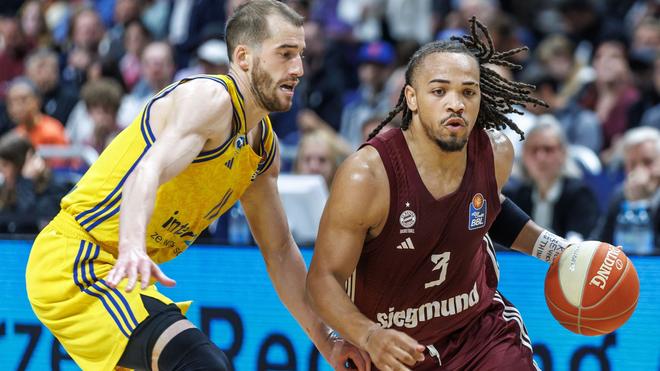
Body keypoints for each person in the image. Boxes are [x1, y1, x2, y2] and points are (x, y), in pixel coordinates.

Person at [25, 1, 366, 370]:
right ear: (244, 57)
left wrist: (327, 341)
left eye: (299, 55)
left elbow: (280, 251)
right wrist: (132, 247)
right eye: (285, 54)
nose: (298, 69)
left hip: (121, 270)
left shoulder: (264, 147)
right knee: (200, 363)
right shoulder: (210, 100)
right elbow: (147, 171)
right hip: (78, 259)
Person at [307, 17, 586, 370]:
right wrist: (368, 335)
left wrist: (560, 251)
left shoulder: (496, 153)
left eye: (468, 92)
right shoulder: (368, 176)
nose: (456, 104)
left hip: (478, 334)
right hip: (394, 346)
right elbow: (321, 280)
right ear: (412, 97)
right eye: (439, 91)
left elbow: (488, 207)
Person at [504, 115, 600, 242]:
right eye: (534, 150)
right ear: (524, 156)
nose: (540, 157)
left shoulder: (580, 195)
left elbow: (579, 242)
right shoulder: (516, 195)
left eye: (548, 149)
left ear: (563, 153)